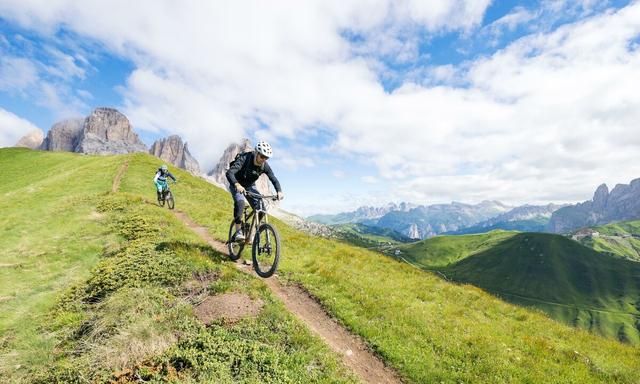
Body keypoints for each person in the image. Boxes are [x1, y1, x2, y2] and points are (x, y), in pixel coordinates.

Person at [226, 141, 284, 241]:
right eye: (262, 156)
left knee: (262, 209)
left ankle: (251, 233)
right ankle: (238, 232)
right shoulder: (245, 158)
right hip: (236, 183)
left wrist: (279, 191)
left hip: (249, 186)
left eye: (266, 158)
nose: (264, 159)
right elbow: (230, 173)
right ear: (256, 153)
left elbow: (273, 178)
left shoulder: (264, 165)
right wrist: (237, 184)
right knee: (240, 203)